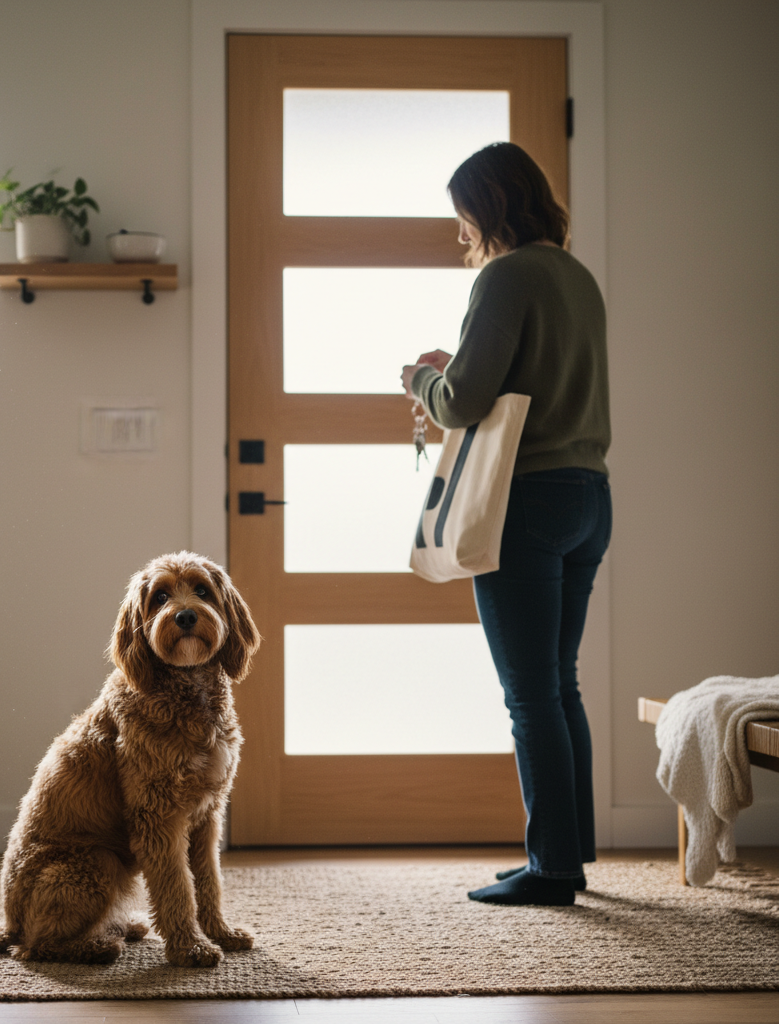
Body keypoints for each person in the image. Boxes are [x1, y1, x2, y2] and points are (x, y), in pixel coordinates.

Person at [401, 142, 611, 907]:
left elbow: (460, 402)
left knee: (529, 694)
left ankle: (553, 869)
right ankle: (571, 847)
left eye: (464, 216)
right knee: (560, 684)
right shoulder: (576, 276)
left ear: (487, 207)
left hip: (526, 500)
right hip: (590, 494)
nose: (461, 233)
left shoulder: (507, 274)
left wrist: (422, 377)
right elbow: (533, 379)